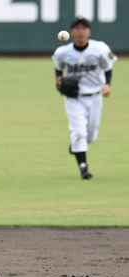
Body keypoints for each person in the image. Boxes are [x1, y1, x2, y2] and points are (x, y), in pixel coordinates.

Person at [52, 16, 117, 179]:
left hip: (95, 97)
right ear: (72, 31)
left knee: (91, 135)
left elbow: (108, 67)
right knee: (78, 131)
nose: (81, 31)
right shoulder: (63, 52)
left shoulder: (100, 49)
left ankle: (76, 147)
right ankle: (83, 168)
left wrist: (107, 84)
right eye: (77, 28)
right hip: (74, 98)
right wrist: (59, 79)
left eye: (84, 28)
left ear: (89, 31)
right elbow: (58, 67)